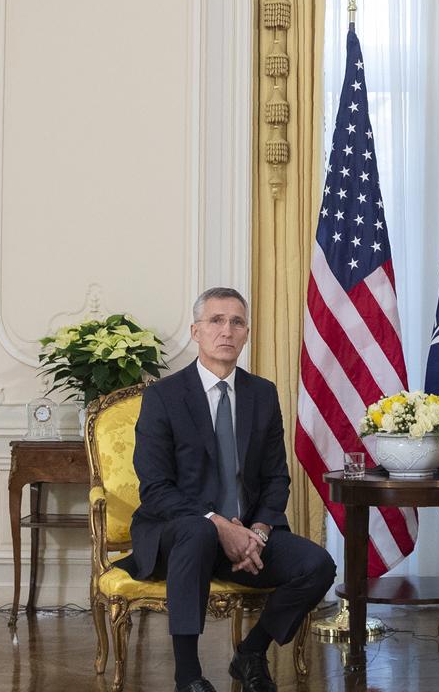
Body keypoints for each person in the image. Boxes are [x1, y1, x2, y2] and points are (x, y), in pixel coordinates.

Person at [118, 287, 336, 692]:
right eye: (216, 321)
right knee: (199, 530)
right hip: (179, 536)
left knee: (317, 565)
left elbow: (275, 479)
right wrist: (221, 525)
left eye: (237, 322)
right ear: (196, 331)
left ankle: (251, 652)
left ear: (247, 333)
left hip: (248, 535)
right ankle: (189, 677)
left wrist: (258, 533)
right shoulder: (164, 397)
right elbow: (156, 488)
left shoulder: (262, 394)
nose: (227, 330)